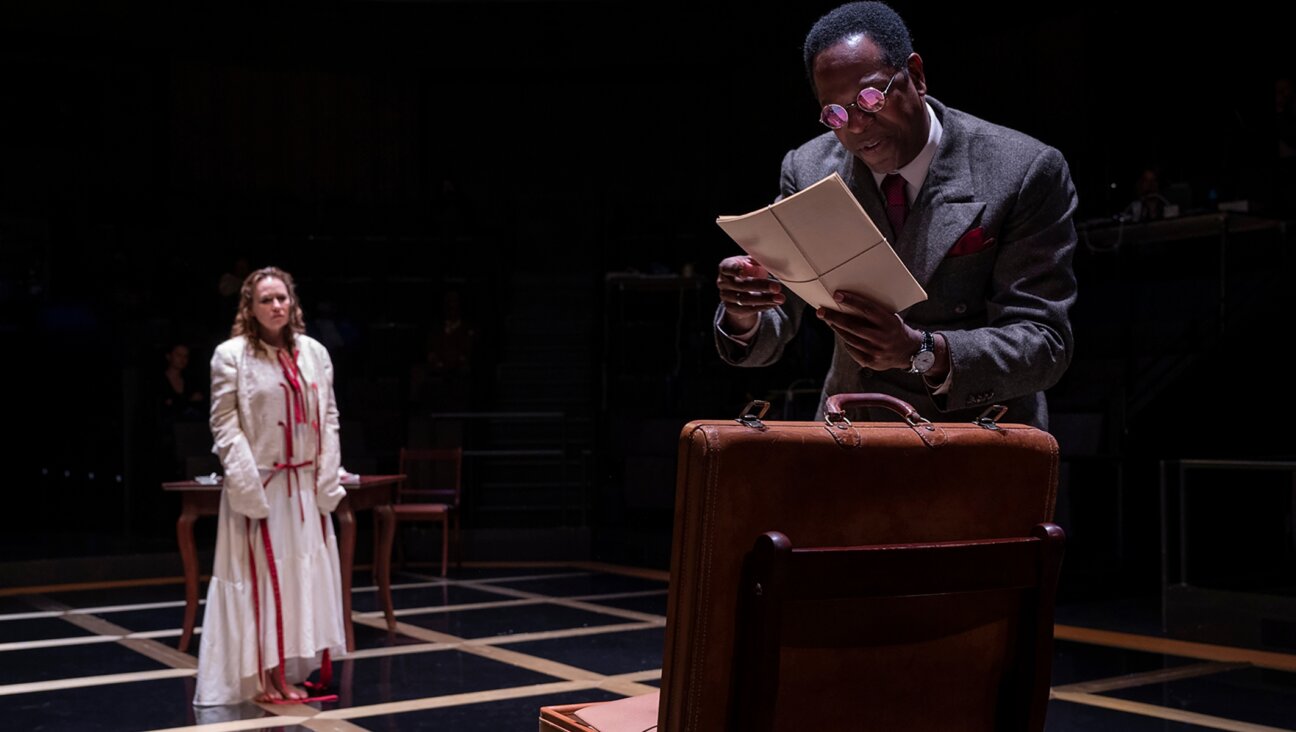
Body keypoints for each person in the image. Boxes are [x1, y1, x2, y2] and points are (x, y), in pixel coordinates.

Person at [714, 1, 1076, 430]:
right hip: (854, 432)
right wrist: (745, 312)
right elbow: (775, 327)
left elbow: (1044, 345)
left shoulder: (1023, 170)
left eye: (870, 97)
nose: (856, 126)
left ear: (917, 77)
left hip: (978, 438)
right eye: (835, 113)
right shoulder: (808, 169)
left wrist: (920, 350)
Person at [194, 266, 347, 706]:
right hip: (261, 488)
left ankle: (291, 668)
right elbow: (224, 424)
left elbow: (329, 417)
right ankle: (262, 676)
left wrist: (326, 475)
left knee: (301, 575)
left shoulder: (315, 353)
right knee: (260, 577)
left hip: (303, 488)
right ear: (251, 308)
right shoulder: (231, 355)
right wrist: (247, 487)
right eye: (266, 300)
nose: (277, 306)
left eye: (283, 298)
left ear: (293, 303)